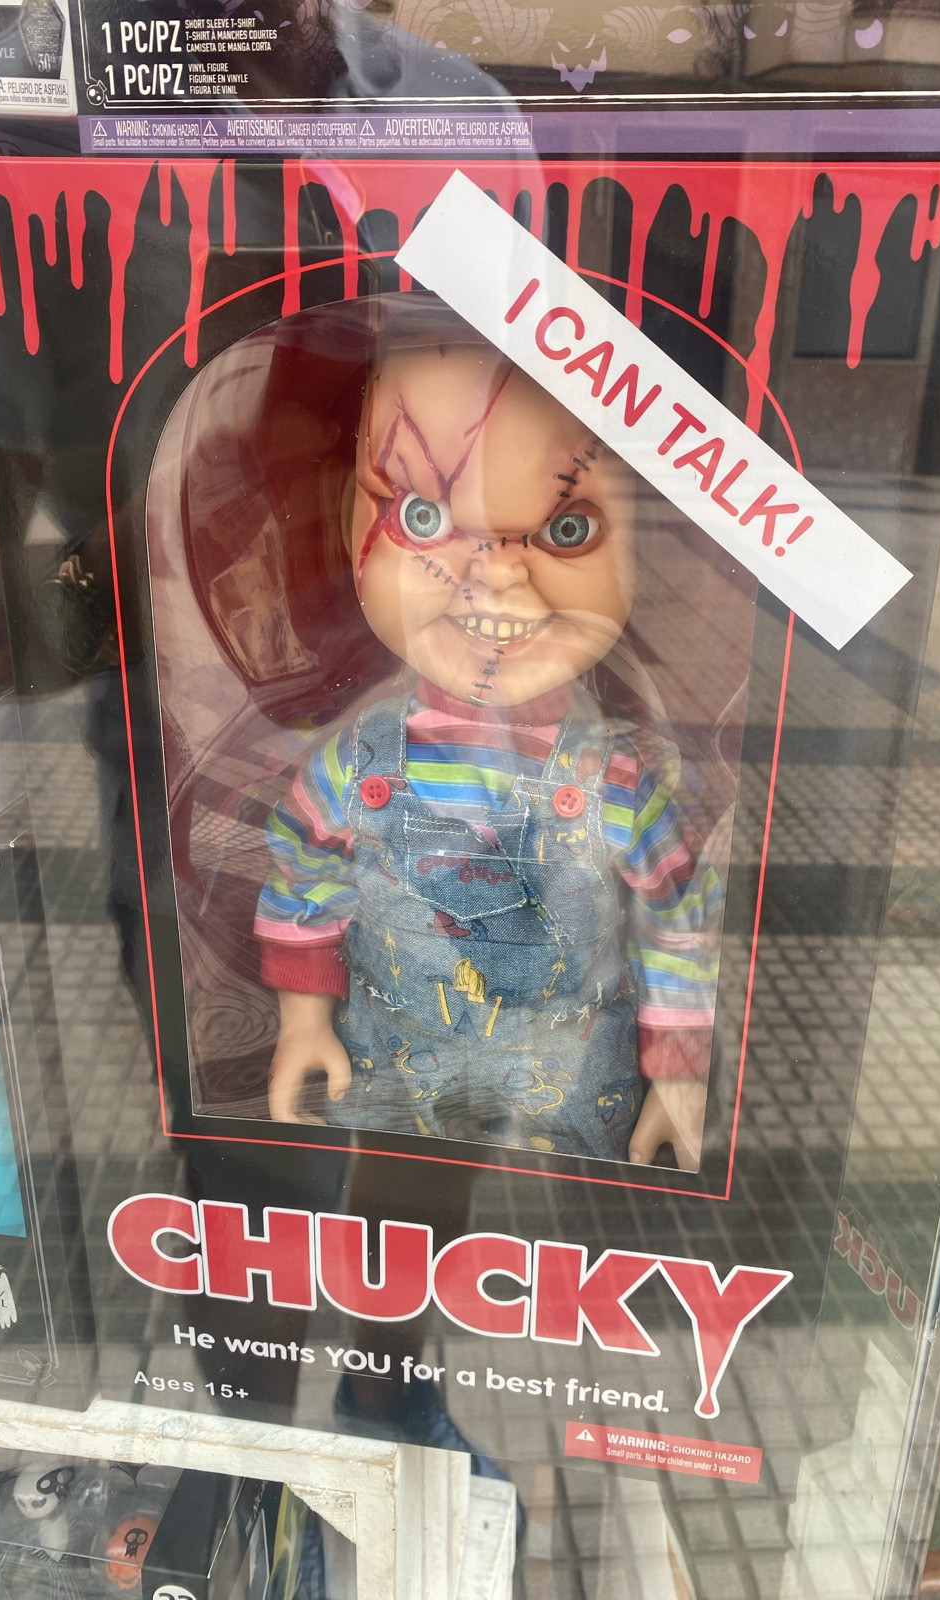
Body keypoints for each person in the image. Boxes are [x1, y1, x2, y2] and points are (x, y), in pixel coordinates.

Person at [254, 316, 722, 1166]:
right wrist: (303, 1019)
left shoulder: (616, 782)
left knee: (569, 1220)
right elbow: (303, 873)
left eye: (569, 528)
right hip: (391, 1072)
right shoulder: (355, 764)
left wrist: (677, 1073)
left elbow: (677, 919)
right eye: (423, 516)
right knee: (391, 1204)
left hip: (574, 1083)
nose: (498, 572)